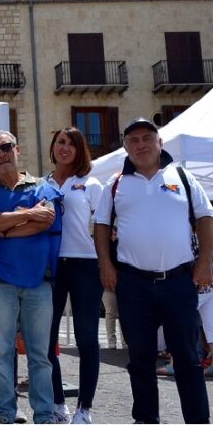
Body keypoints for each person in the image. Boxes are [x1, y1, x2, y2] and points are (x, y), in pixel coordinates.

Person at [94, 117, 213, 424]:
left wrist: (204, 264)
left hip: (179, 281)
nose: (141, 144)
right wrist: (106, 264)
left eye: (148, 138)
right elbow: (101, 225)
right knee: (141, 360)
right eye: (134, 140)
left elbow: (205, 217)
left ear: (160, 143)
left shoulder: (182, 177)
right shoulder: (116, 183)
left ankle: (198, 420)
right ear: (125, 147)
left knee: (188, 359)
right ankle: (146, 420)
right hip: (134, 284)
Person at [0, 130, 63, 424]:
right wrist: (25, 215)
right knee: (2, 354)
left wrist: (3, 228)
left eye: (5, 148)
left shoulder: (42, 186)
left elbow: (45, 222)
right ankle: (5, 414)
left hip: (38, 280)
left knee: (40, 354)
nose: (1, 155)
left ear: (17, 149)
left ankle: (45, 415)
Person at [44, 128, 104, 424]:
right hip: (52, 267)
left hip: (86, 266)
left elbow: (105, 229)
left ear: (80, 150)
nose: (65, 148)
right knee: (47, 340)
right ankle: (58, 404)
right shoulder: (40, 185)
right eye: (60, 143)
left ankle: (85, 408)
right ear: (52, 148)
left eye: (71, 144)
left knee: (87, 339)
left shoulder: (91, 184)